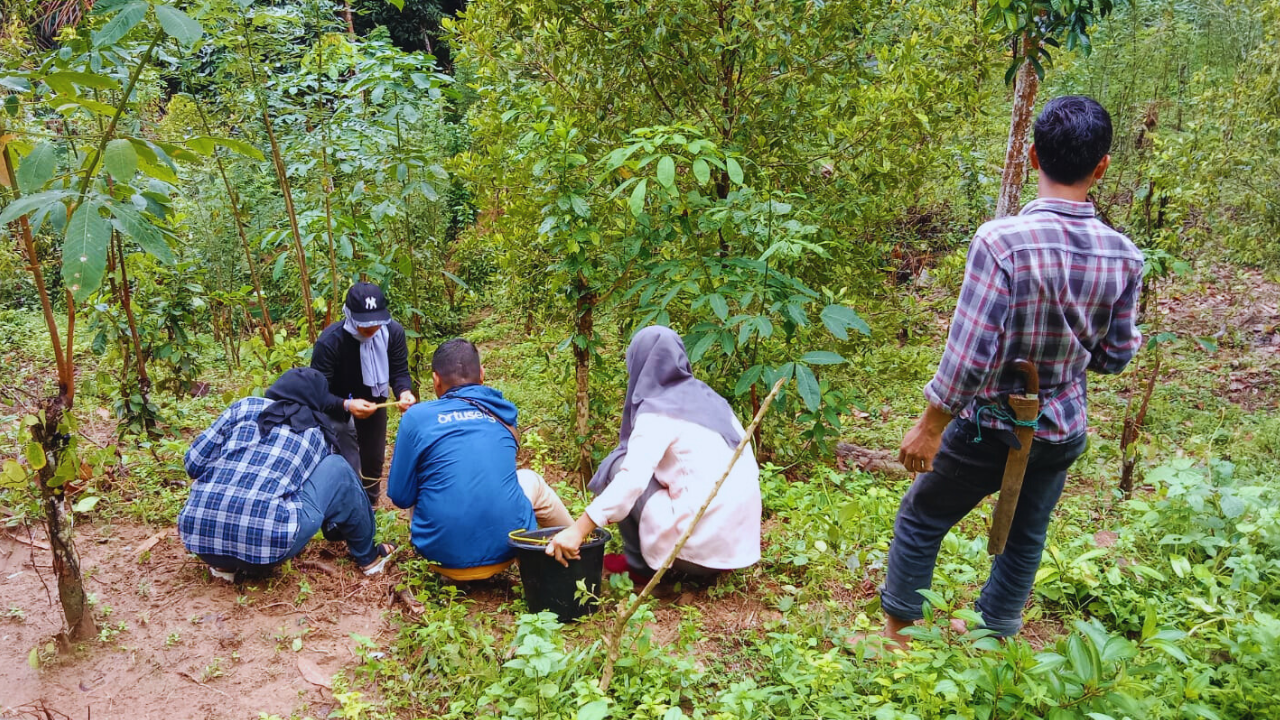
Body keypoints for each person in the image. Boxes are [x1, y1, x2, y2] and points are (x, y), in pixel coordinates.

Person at [871, 96, 1144, 647]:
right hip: (1060, 426)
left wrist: (930, 425)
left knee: (923, 515)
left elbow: (969, 355)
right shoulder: (1125, 256)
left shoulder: (1001, 242)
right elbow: (1116, 357)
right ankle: (994, 634)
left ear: (1032, 153)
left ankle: (900, 640)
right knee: (1027, 532)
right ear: (1102, 166)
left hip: (988, 426)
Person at [545, 326, 761, 581]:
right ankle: (701, 564)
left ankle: (641, 570)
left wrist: (578, 530)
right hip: (739, 548)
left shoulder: (658, 410)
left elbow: (632, 481)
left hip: (695, 550)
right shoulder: (711, 400)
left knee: (619, 466)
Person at [178, 368, 395, 581]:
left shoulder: (243, 407)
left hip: (198, 538)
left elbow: (193, 464)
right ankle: (369, 558)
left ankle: (222, 563)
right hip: (269, 548)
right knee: (338, 468)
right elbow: (323, 497)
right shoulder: (316, 431)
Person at [387, 338, 573, 577]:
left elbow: (401, 496)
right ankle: (578, 543)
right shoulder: (502, 410)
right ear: (482, 374)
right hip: (509, 549)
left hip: (442, 557)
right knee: (529, 479)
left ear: (435, 380)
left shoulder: (416, 417)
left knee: (423, 477)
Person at [312, 282, 416, 505]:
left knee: (373, 461)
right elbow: (316, 394)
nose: (372, 328)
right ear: (349, 315)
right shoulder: (330, 342)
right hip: (337, 408)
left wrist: (404, 392)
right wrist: (347, 406)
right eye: (365, 323)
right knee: (346, 463)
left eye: (377, 321)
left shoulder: (392, 333)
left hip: (374, 402)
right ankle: (344, 511)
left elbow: (399, 371)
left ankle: (370, 509)